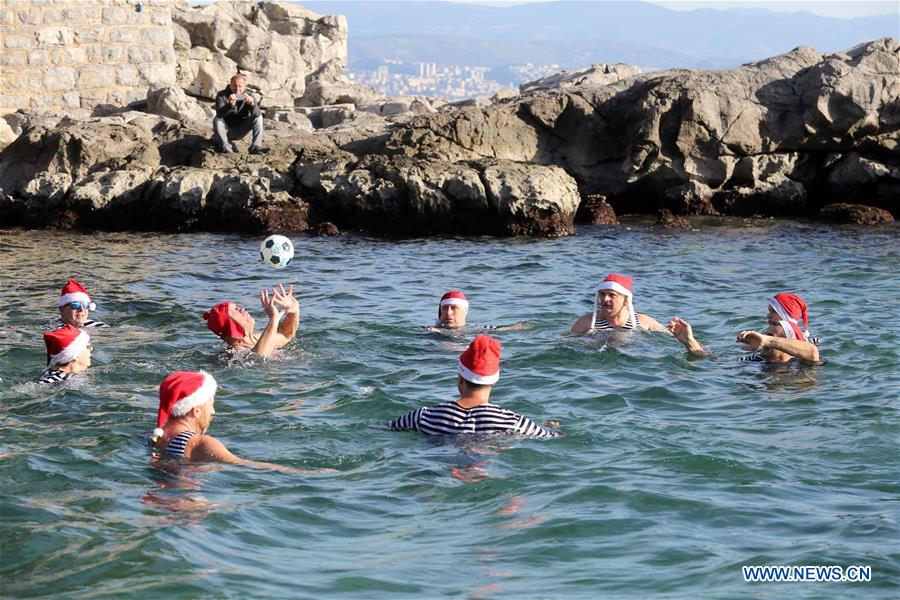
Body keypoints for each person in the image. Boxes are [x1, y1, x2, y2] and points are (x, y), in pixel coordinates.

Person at [388, 334, 562, 438]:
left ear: (460, 379)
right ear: (494, 381)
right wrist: (550, 427)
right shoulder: (512, 421)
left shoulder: (424, 416)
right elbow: (555, 438)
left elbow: (382, 429)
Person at [151, 371, 304, 473]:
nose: (213, 411)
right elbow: (243, 466)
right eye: (210, 405)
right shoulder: (200, 444)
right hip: (187, 499)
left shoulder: (155, 435)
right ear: (196, 411)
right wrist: (300, 473)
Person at [668, 293, 821, 363]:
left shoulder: (802, 356)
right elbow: (716, 362)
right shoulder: (756, 359)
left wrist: (767, 341)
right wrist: (690, 342)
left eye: (774, 323)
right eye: (769, 323)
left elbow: (812, 352)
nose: (768, 319)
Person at [203, 284, 299, 357]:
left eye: (237, 307)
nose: (242, 309)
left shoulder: (254, 338)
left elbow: (286, 336)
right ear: (233, 326)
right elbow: (260, 358)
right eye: (236, 311)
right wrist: (273, 320)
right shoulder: (236, 351)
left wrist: (293, 312)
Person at [570, 274, 667, 333]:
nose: (605, 299)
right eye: (602, 294)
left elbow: (670, 338)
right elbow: (565, 344)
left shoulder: (644, 322)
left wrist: (682, 336)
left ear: (626, 300)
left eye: (612, 295)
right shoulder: (587, 322)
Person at [426, 290, 529, 333]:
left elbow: (504, 329)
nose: (448, 313)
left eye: (454, 308)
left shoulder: (477, 329)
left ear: (465, 311)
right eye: (445, 308)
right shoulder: (430, 330)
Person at [213, 73, 265, 155]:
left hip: (241, 130)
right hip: (226, 131)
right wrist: (229, 105)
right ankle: (225, 148)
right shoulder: (221, 95)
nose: (237, 89)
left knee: (259, 118)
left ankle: (255, 147)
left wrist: (252, 105)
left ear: (244, 87)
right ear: (230, 85)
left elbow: (257, 114)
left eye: (240, 86)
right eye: (234, 86)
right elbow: (219, 114)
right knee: (217, 119)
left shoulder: (249, 95)